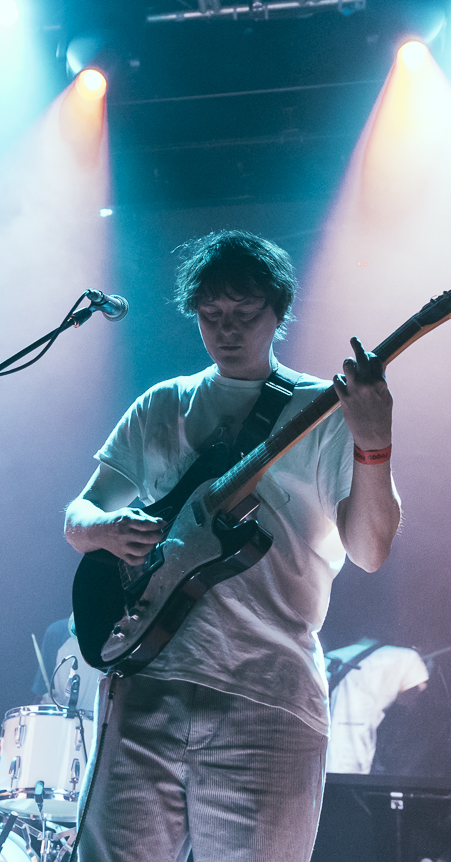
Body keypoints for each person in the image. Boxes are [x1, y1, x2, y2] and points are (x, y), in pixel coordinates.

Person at [63, 230, 401, 862]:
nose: (227, 329)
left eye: (245, 314)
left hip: (267, 698)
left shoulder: (322, 410)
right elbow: (78, 517)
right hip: (146, 686)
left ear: (278, 313)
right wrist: (108, 530)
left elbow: (371, 550)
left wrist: (374, 441)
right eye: (211, 315)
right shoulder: (162, 405)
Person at [324, 639, 429, 775]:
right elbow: (412, 698)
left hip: (320, 770)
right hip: (358, 770)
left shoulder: (327, 657)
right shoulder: (406, 657)